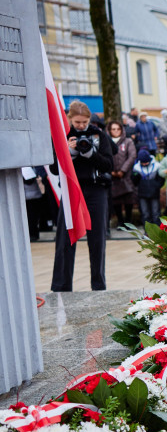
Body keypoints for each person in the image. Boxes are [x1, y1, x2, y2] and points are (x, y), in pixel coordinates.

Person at [51, 100, 114, 292]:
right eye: (77, 122)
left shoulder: (98, 134)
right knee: (65, 238)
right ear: (69, 118)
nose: (81, 126)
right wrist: (68, 152)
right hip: (71, 191)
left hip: (96, 190)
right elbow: (54, 168)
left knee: (97, 240)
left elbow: (109, 164)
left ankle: (98, 285)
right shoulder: (62, 134)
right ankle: (61, 286)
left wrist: (90, 154)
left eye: (84, 122)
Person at [108, 120, 137, 228]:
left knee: (128, 199)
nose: (116, 131)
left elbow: (132, 155)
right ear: (110, 130)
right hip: (112, 176)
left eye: (118, 129)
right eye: (113, 129)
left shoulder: (128, 141)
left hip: (125, 175)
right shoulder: (107, 141)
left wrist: (123, 170)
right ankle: (120, 222)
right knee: (116, 201)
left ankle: (128, 221)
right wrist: (110, 171)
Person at [132, 148, 163, 227]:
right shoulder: (136, 168)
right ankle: (147, 231)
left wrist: (156, 185)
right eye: (143, 162)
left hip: (154, 192)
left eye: (146, 162)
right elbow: (135, 182)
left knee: (156, 213)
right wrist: (135, 175)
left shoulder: (156, 166)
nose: (145, 164)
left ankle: (157, 230)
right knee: (145, 213)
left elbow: (161, 180)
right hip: (142, 193)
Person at [22, 167, 46, 242]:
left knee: (30, 218)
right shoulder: (33, 169)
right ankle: (33, 234)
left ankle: (32, 234)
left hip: (28, 196)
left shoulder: (24, 169)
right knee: (33, 218)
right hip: (35, 195)